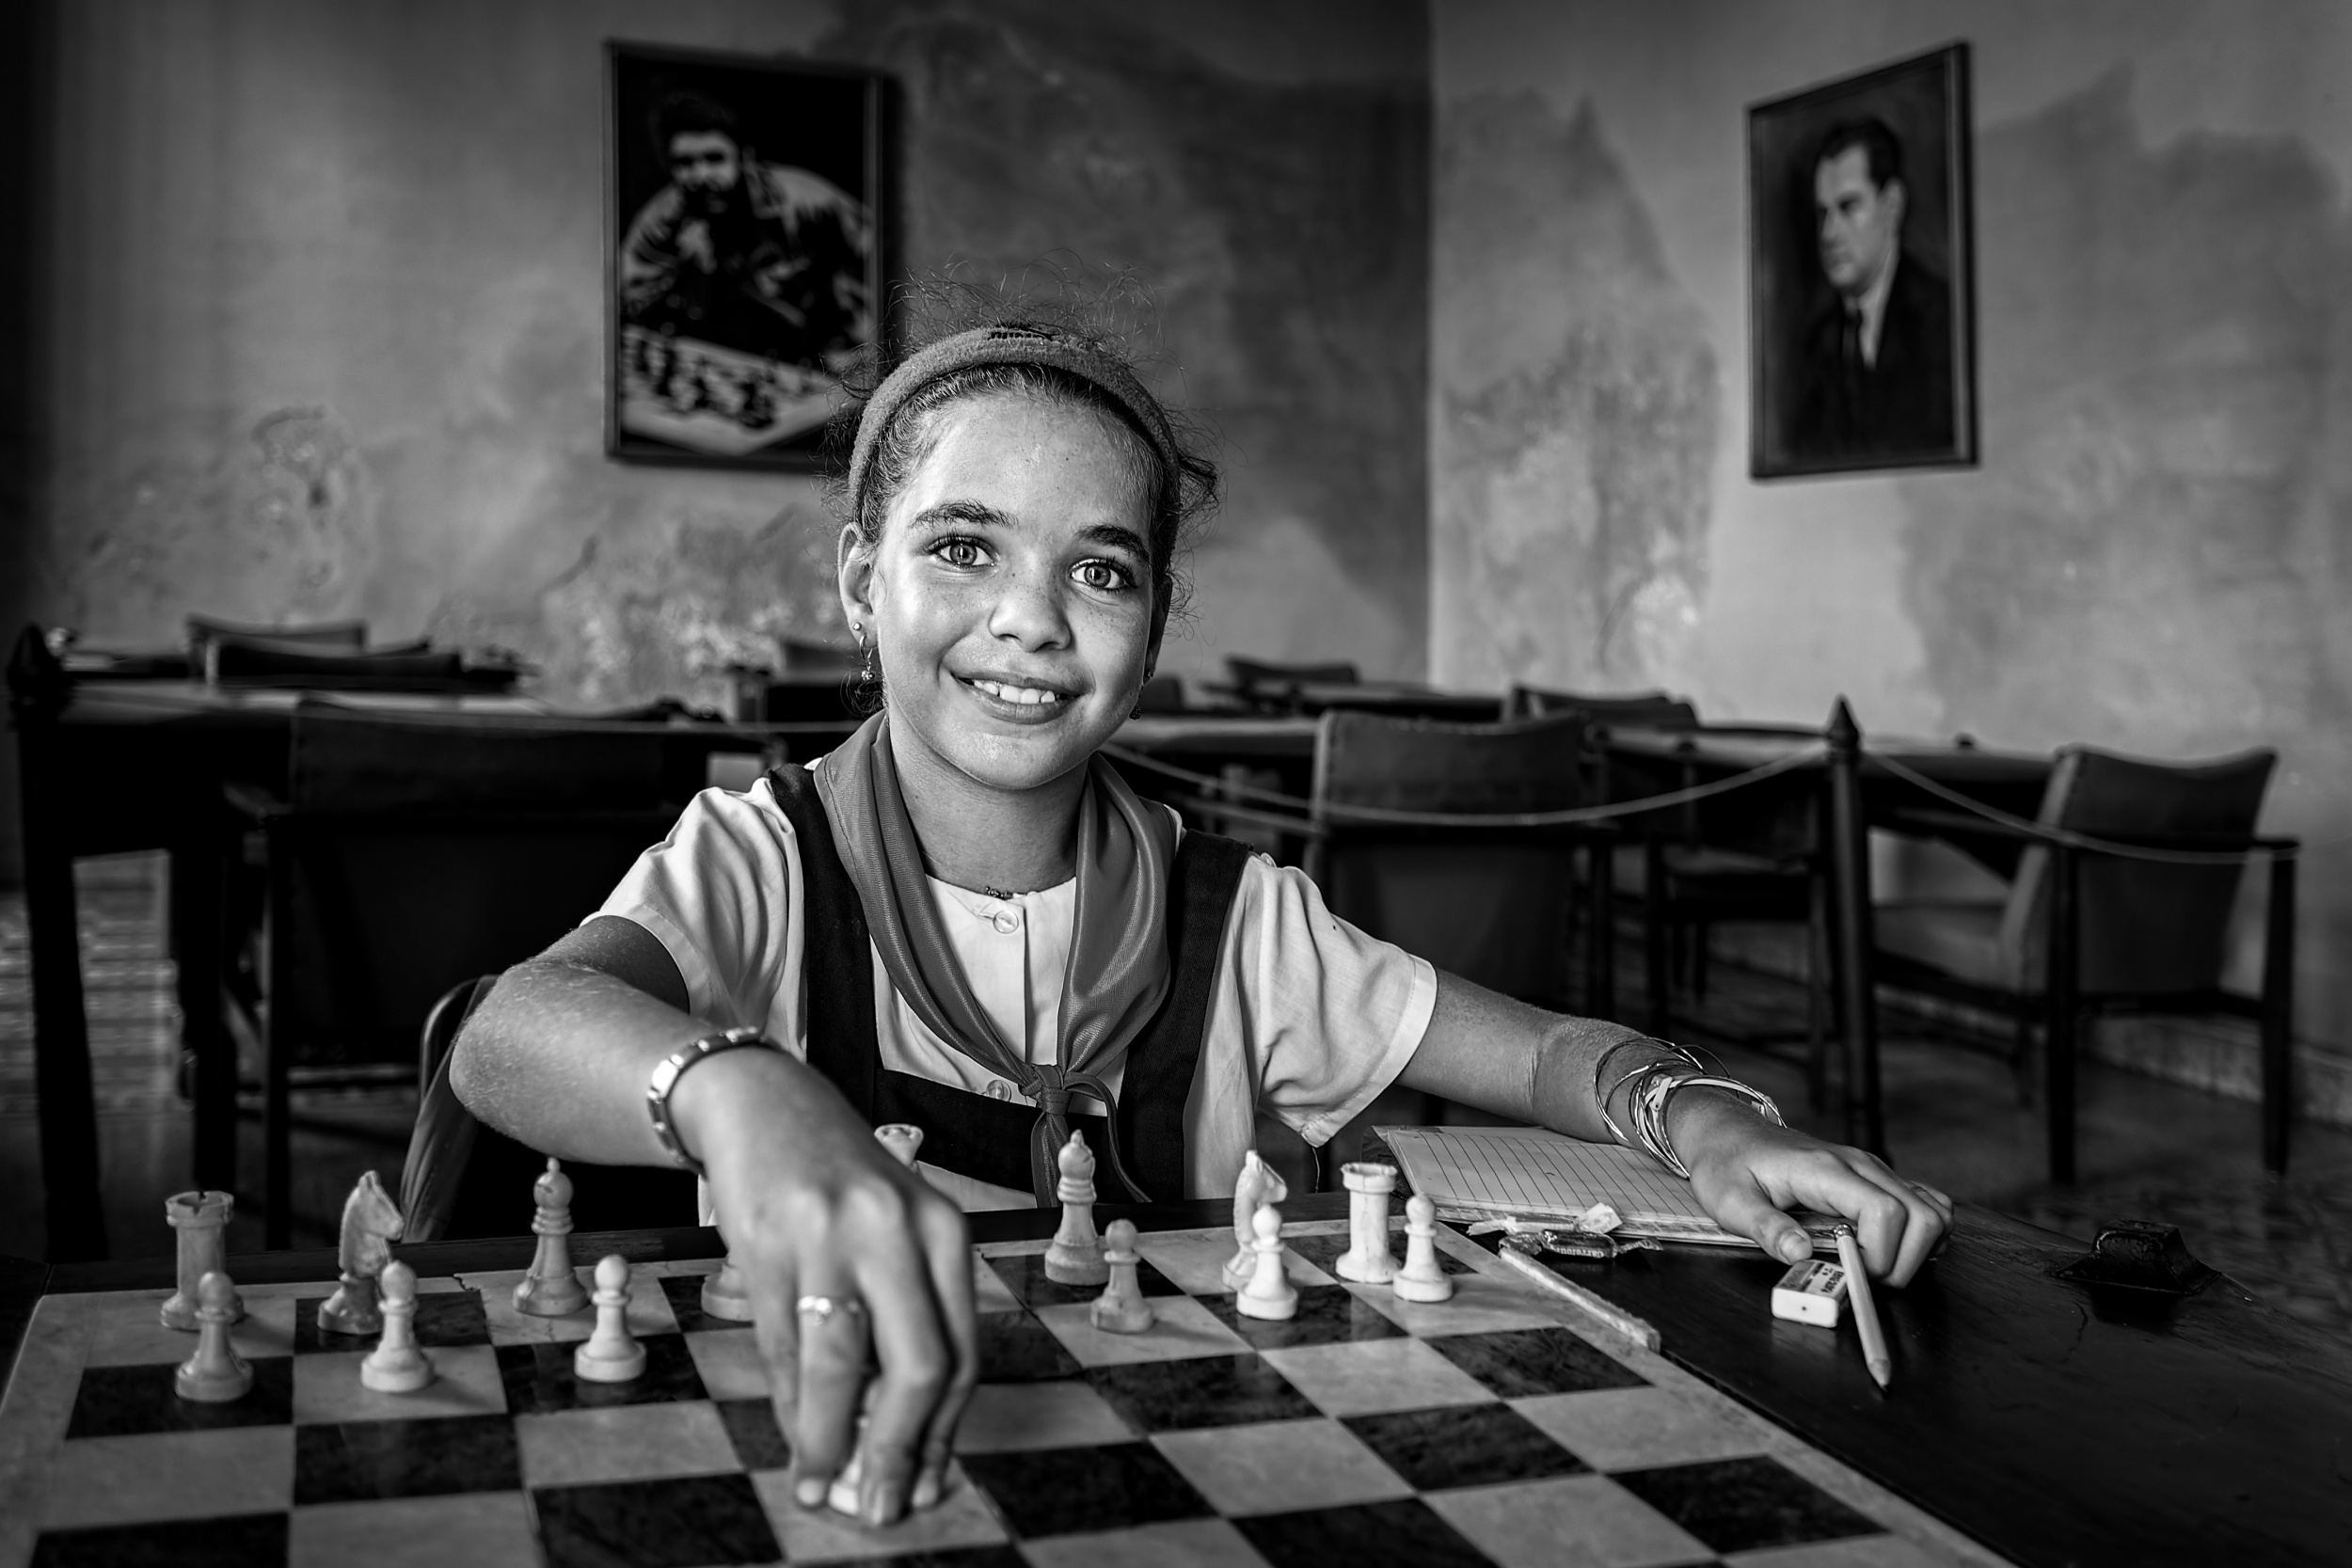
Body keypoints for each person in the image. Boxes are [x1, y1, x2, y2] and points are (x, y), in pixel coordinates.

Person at [450, 296, 1951, 1528]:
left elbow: (1553, 1055)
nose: (1031, 617)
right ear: (859, 579)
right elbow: (505, 1031)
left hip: (1198, 1485)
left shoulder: (1242, 923)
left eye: (1100, 569)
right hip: (849, 1475)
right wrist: (737, 1094)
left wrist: (1704, 1116)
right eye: (962, 546)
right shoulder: (758, 859)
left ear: (1155, 624)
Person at [618, 90, 870, 372]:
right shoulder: (661, 220)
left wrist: (857, 345)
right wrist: (680, 267)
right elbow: (625, 299)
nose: (701, 176)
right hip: (748, 358)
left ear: (744, 158)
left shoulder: (808, 201)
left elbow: (880, 262)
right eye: (684, 163)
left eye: (715, 159)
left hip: (834, 353)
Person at [1789, 117, 1955, 462]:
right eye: (1823, 213)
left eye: (1849, 207)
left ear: (1891, 205)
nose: (1829, 234)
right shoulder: (1817, 345)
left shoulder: (1944, 321)